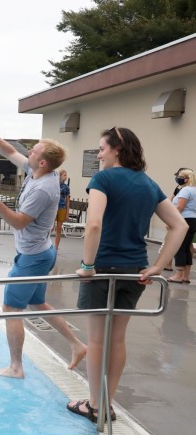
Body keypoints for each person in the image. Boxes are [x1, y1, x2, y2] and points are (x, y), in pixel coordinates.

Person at [66, 127, 187, 423]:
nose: (99, 154)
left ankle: (94, 405)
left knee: (96, 341)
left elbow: (93, 224)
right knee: (117, 340)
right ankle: (107, 403)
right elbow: (180, 226)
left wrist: (87, 265)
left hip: (102, 269)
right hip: (135, 270)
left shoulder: (103, 179)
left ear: (117, 149)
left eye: (101, 149)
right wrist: (159, 264)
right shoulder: (148, 184)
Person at [0, 121, 86, 379]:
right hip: (39, 252)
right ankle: (77, 344)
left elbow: (19, 221)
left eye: (34, 151)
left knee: (11, 309)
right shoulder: (38, 172)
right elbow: (9, 151)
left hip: (33, 257)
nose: (28, 152)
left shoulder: (43, 188)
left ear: (43, 162)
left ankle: (16, 367)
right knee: (38, 302)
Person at [167, 168, 196, 284]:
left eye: (180, 176)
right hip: (193, 220)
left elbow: (180, 207)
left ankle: (178, 275)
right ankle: (185, 276)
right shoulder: (194, 190)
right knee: (187, 248)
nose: (178, 178)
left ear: (187, 179)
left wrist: (170, 220)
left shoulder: (185, 190)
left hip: (183, 220)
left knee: (179, 247)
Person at [54, 169, 70, 250]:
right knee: (50, 228)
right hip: (53, 209)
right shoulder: (54, 185)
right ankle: (45, 246)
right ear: (59, 176)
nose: (66, 177)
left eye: (66, 175)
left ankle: (56, 248)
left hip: (62, 208)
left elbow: (67, 200)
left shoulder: (66, 187)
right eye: (64, 175)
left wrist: (67, 213)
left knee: (59, 228)